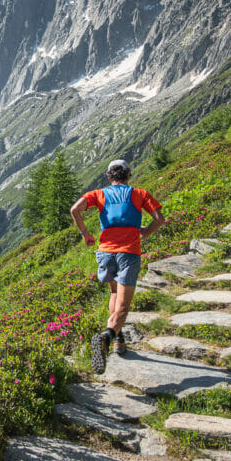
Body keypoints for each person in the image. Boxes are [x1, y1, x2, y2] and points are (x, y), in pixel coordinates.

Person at [70, 159, 165, 373]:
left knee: (114, 292)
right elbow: (159, 219)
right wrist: (144, 232)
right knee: (123, 306)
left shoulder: (99, 194)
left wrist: (85, 234)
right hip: (128, 253)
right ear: (128, 175)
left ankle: (118, 339)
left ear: (108, 177)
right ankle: (107, 337)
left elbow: (74, 210)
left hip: (106, 253)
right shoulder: (140, 193)